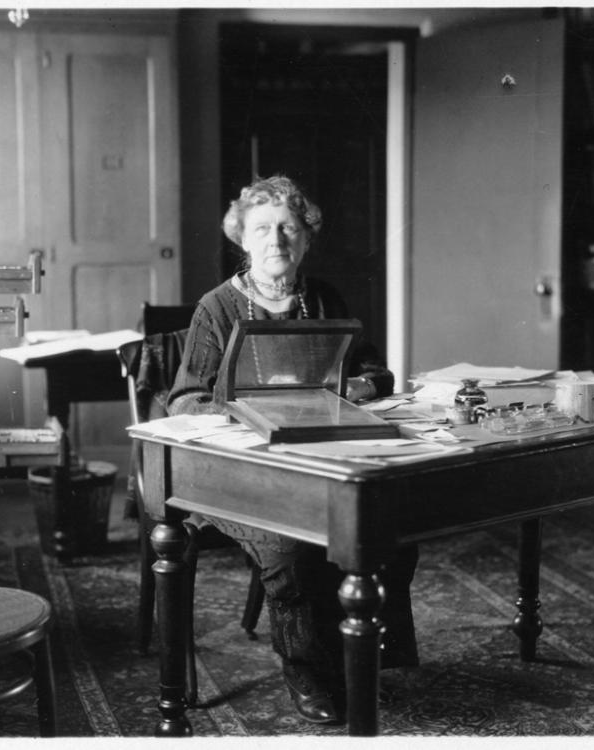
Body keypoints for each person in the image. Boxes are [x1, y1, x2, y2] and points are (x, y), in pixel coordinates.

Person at [167, 175, 418, 725]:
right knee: (291, 543)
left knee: (391, 528)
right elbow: (185, 401)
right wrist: (254, 414)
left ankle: (368, 655)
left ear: (307, 237)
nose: (276, 240)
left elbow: (376, 370)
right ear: (242, 239)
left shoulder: (323, 297)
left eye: (289, 227)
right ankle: (308, 671)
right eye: (262, 229)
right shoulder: (217, 308)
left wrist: (358, 388)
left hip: (316, 460)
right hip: (235, 471)